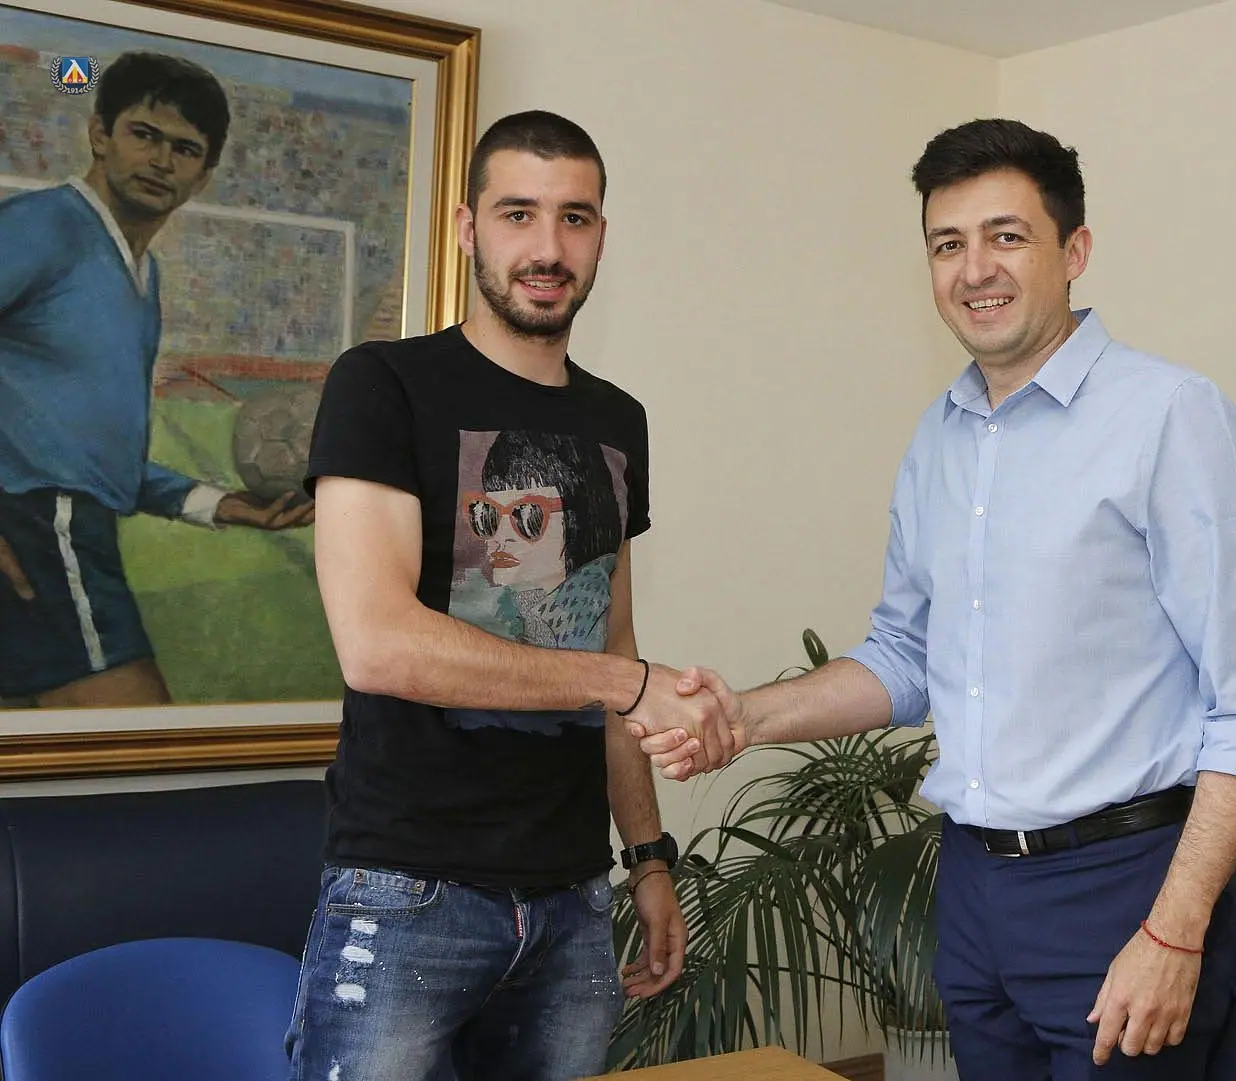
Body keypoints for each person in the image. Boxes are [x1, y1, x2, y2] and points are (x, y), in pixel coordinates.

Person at [638, 118, 1236, 1080]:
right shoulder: (938, 438)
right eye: (947, 243)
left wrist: (1174, 928)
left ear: (1073, 250)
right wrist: (744, 715)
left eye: (1005, 236)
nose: (974, 268)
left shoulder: (1170, 416)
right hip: (973, 891)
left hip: (1122, 890)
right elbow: (905, 657)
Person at [286, 110, 733, 1081]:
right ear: (467, 228)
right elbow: (377, 643)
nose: (547, 248)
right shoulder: (383, 383)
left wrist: (647, 855)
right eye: (517, 213)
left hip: (573, 899)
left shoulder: (618, 420)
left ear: (601, 235)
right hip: (406, 890)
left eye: (574, 218)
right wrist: (626, 682)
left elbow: (613, 641)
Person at [0, 51, 313, 710]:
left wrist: (219, 505)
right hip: (43, 531)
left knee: (44, 760)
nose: (161, 160)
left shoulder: (145, 276)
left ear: (204, 174)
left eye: (184, 148)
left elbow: (94, 456)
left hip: (68, 530)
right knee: (143, 741)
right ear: (99, 133)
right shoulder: (42, 226)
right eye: (144, 134)